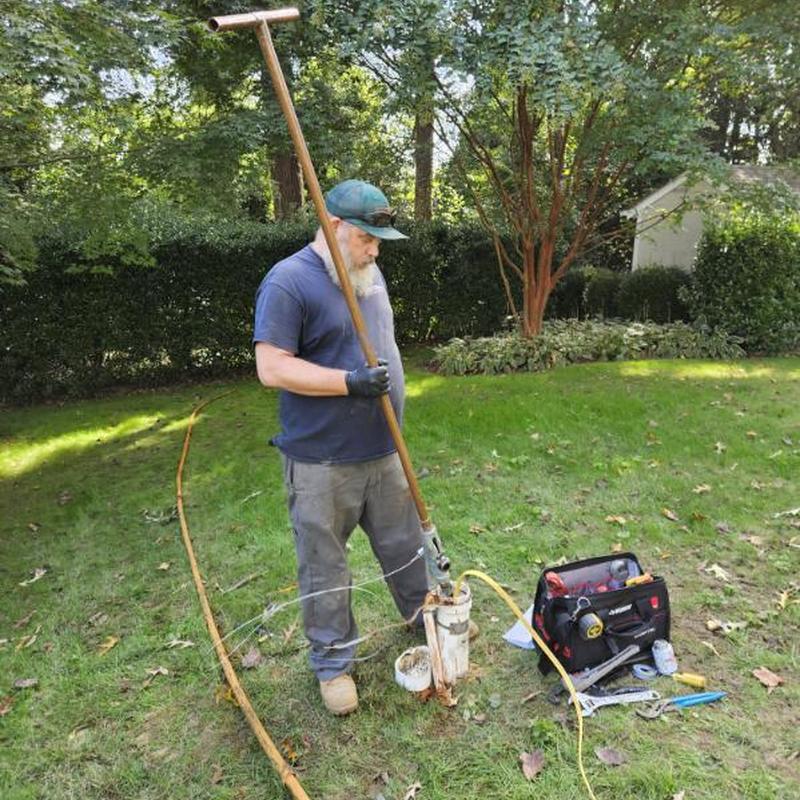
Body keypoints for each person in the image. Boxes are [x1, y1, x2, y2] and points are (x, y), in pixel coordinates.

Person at [253, 179, 429, 715]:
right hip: (322, 460)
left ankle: (423, 618)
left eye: (379, 240)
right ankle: (333, 664)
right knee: (325, 564)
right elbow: (271, 367)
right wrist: (347, 383)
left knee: (405, 547)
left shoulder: (367, 276)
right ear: (333, 228)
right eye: (366, 238)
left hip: (384, 450)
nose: (375, 249)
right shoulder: (289, 282)